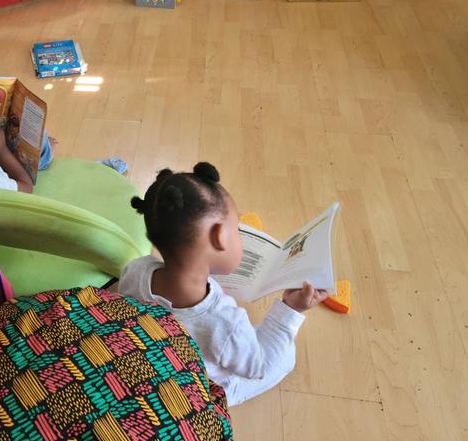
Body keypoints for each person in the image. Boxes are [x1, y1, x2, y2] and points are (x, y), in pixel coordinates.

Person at [118, 162, 328, 406]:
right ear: (218, 236)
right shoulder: (225, 323)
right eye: (237, 230)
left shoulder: (135, 270)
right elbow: (256, 367)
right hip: (200, 389)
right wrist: (291, 310)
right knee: (285, 358)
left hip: (151, 360)